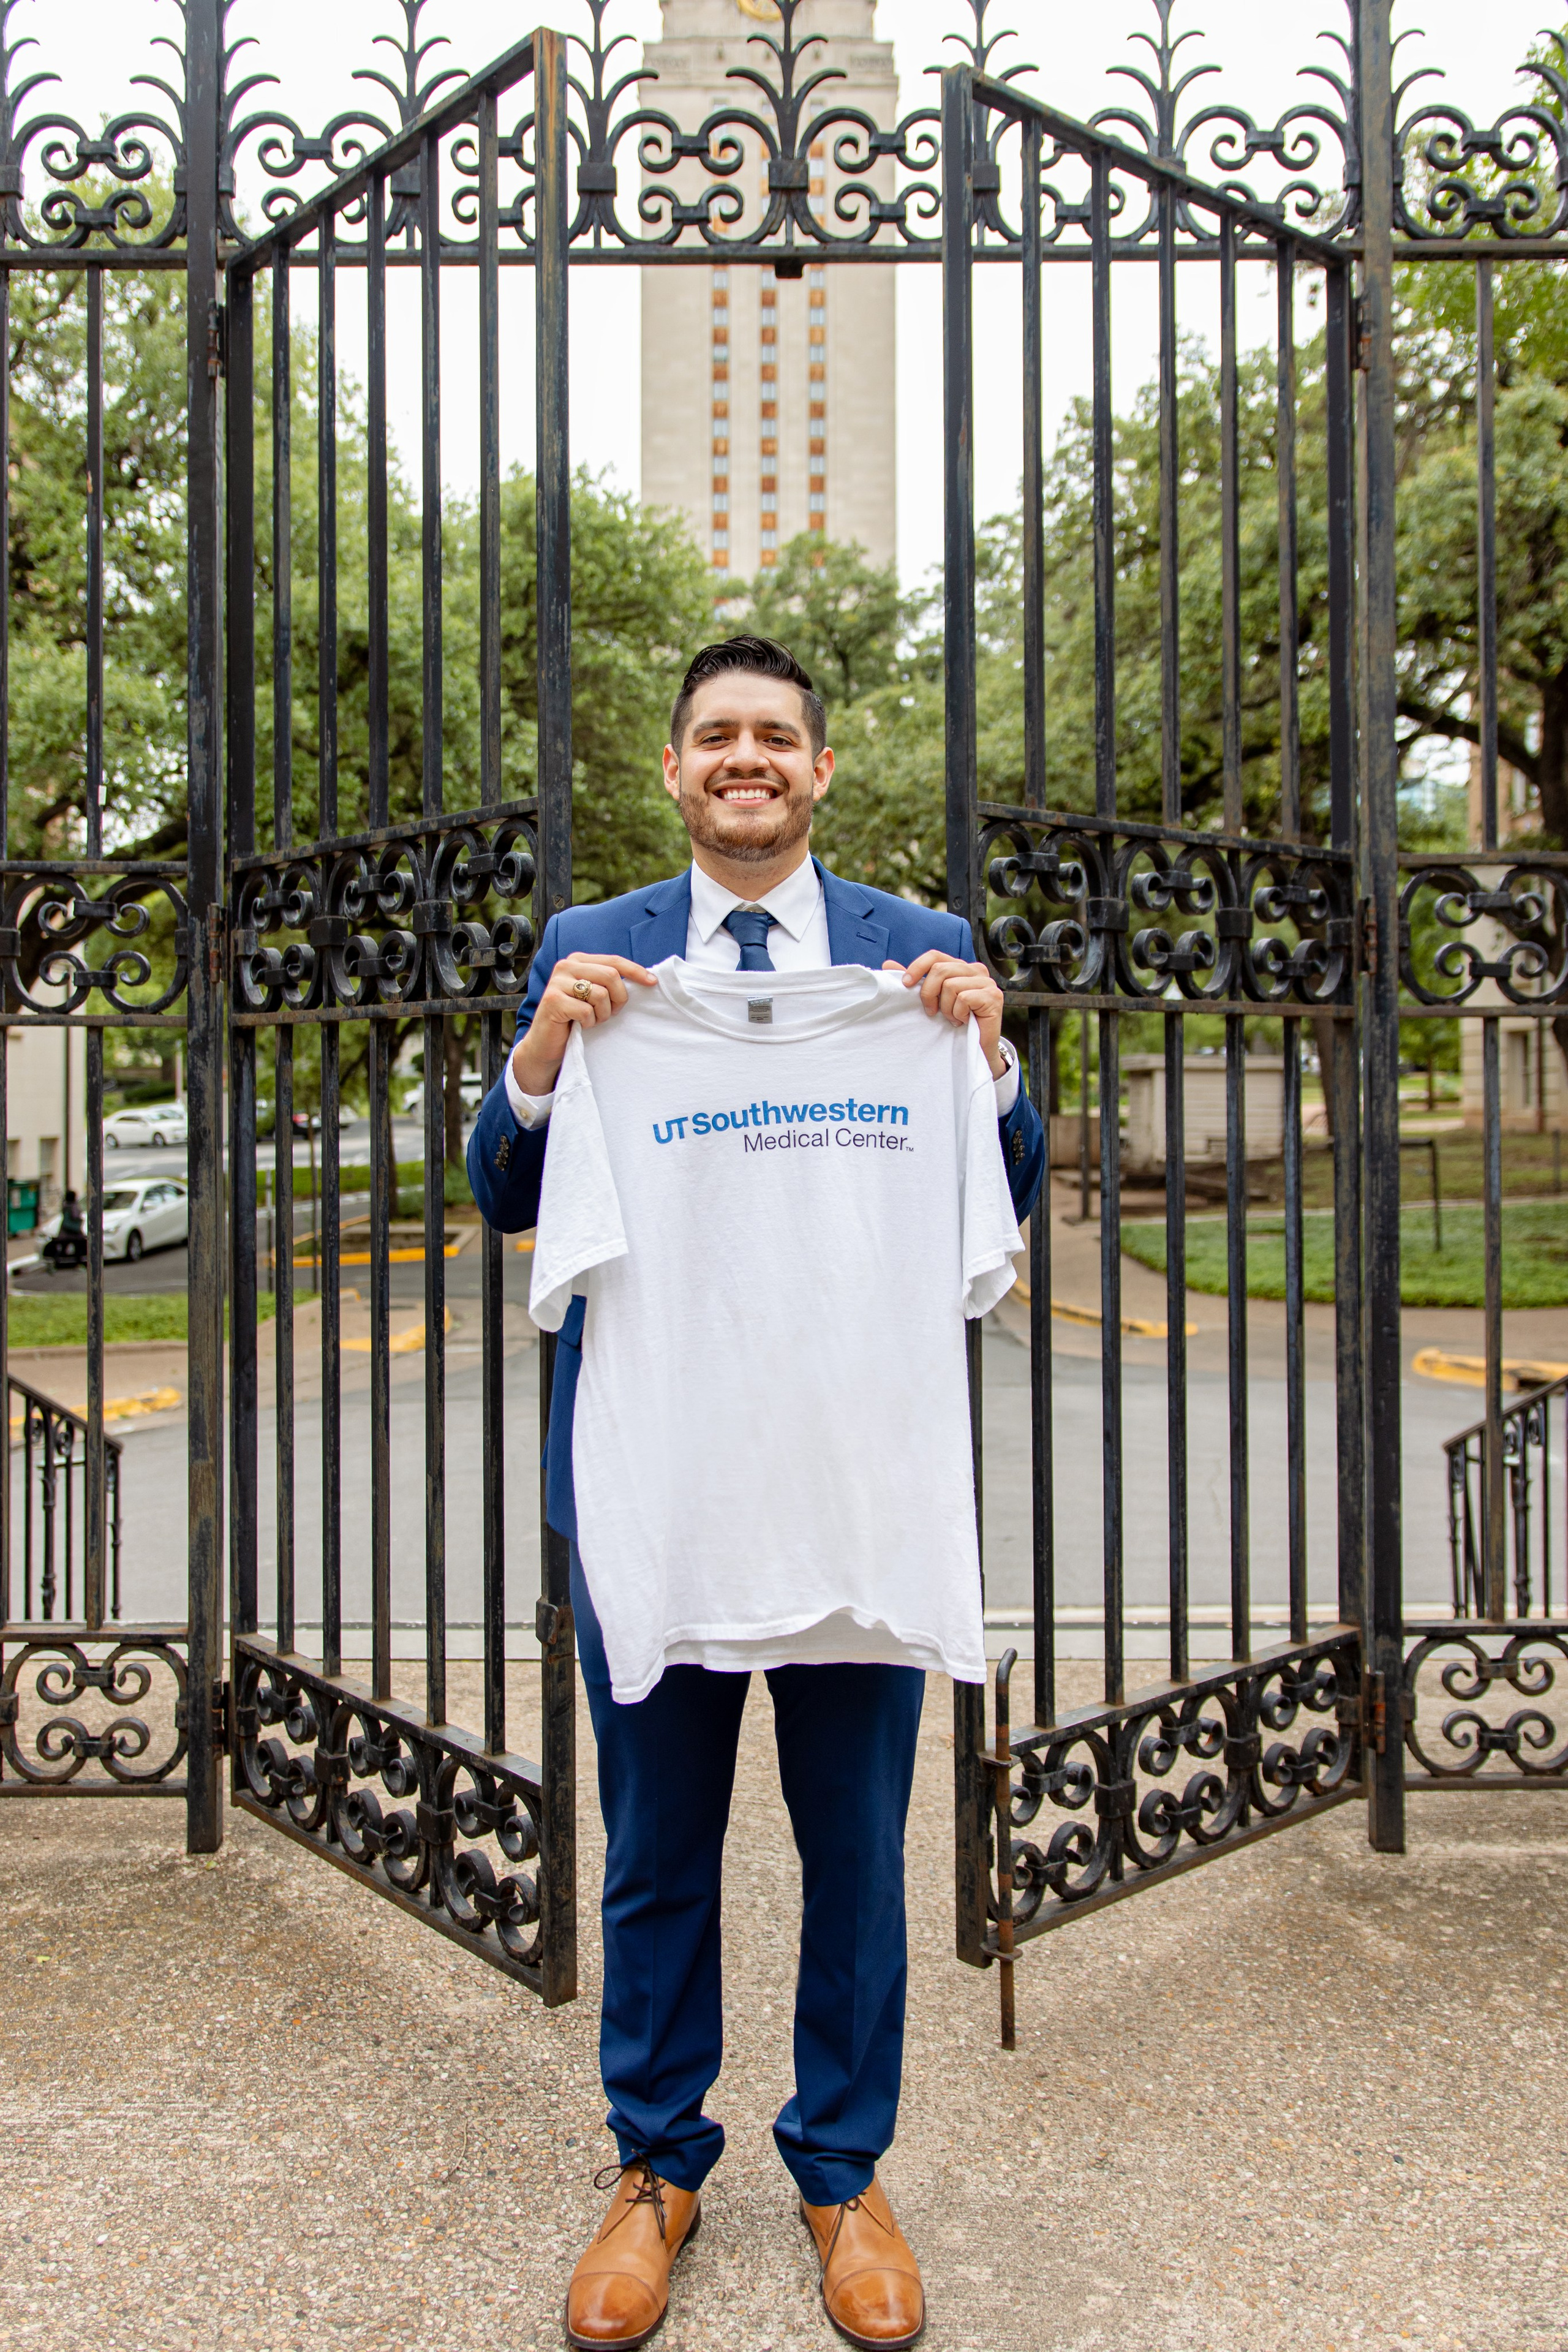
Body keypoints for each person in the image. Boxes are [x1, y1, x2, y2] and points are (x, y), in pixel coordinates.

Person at [468, 636, 1045, 2351]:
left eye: (775, 737)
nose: (746, 758)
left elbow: (1005, 1188)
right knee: (658, 1844)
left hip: (854, 1483)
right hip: (663, 1484)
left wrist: (992, 1063)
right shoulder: (594, 950)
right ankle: (656, 2162)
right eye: (717, 735)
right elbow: (506, 1191)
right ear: (674, 769)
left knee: (855, 1847)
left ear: (819, 768)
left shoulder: (918, 954)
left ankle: (843, 2171)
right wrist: (544, 1060)